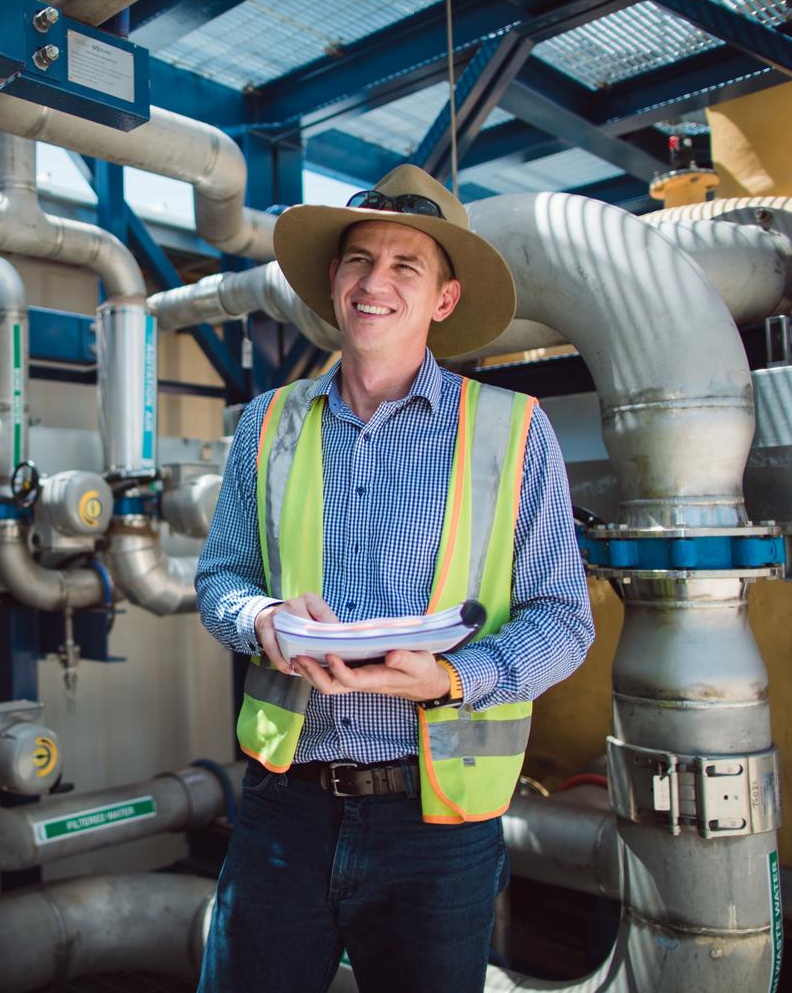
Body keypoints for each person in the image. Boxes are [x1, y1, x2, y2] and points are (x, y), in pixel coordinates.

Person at [193, 164, 594, 993]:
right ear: (333, 283)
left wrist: (451, 677)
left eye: (406, 266)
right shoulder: (266, 424)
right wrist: (261, 616)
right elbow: (221, 578)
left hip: (437, 823)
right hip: (283, 807)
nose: (375, 283)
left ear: (444, 301)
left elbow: (564, 618)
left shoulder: (515, 432)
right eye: (357, 261)